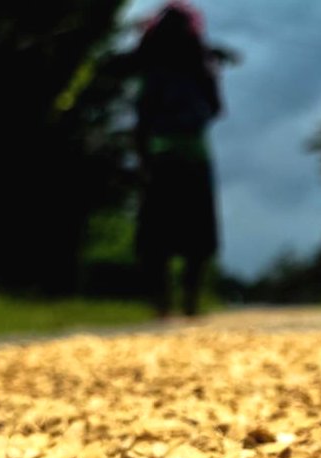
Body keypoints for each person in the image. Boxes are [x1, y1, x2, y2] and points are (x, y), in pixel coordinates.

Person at [134, 1, 222, 318]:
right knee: (196, 231)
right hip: (192, 153)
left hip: (160, 154)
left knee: (156, 232)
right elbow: (216, 108)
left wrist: (142, 155)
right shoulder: (201, 65)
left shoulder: (151, 66)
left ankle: (162, 301)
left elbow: (142, 114)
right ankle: (190, 299)